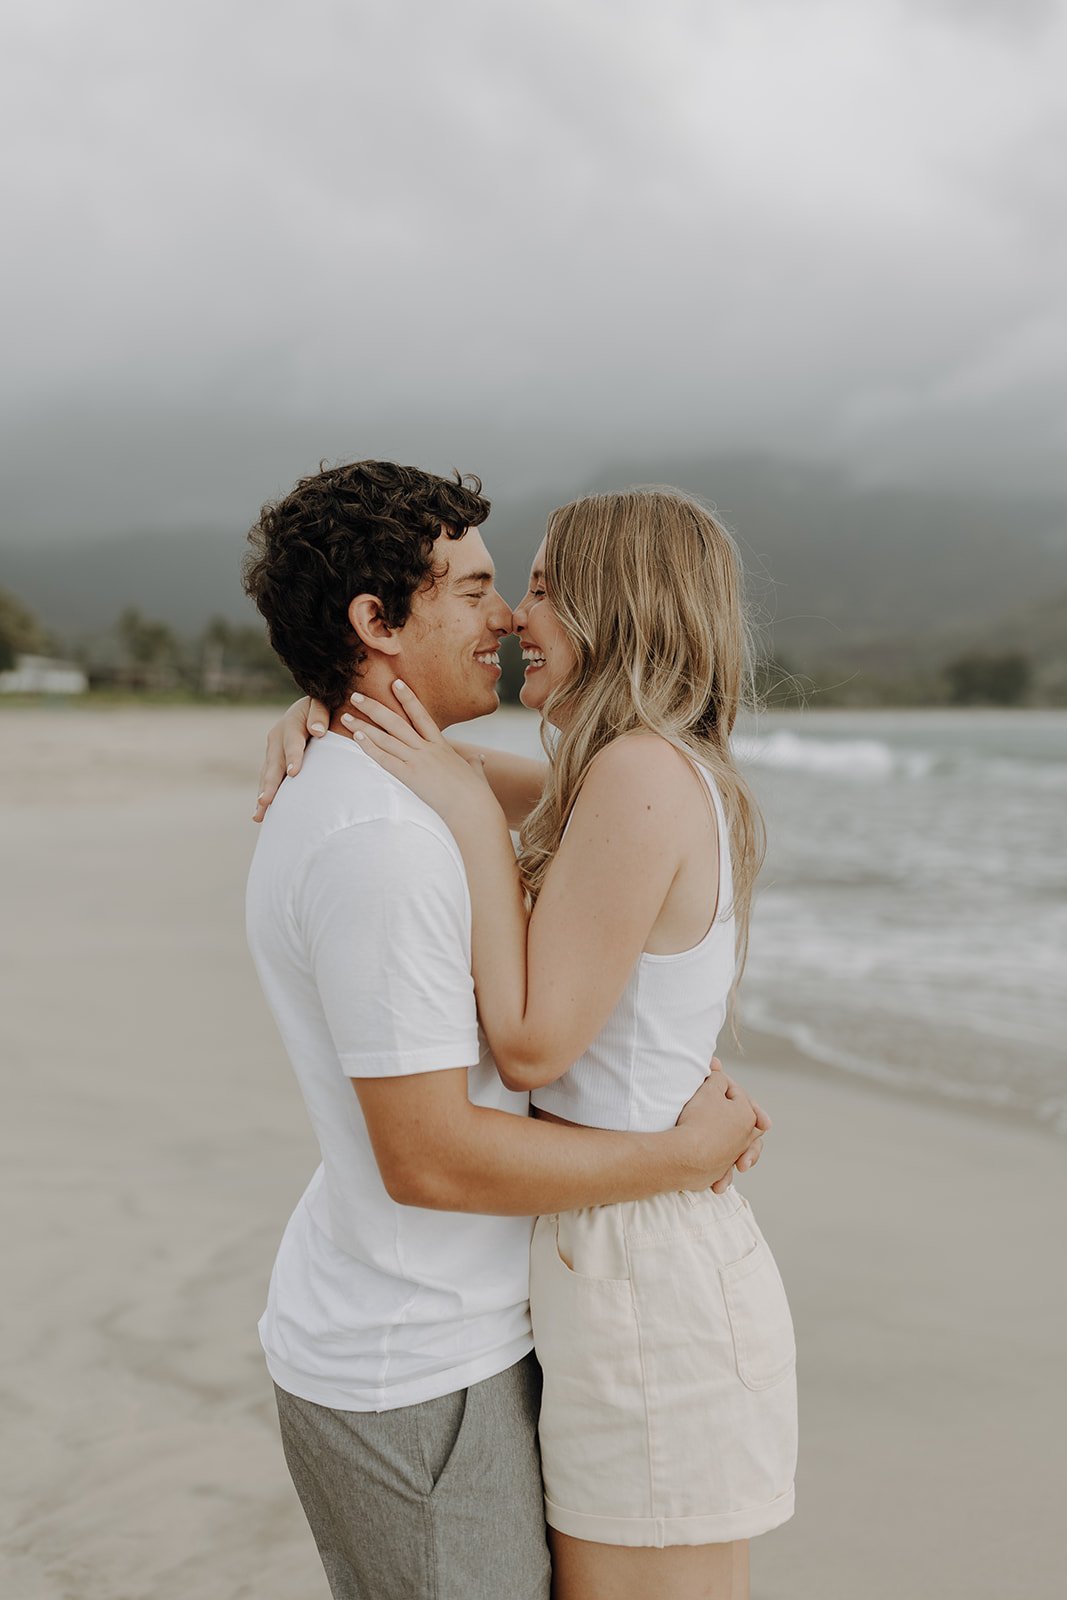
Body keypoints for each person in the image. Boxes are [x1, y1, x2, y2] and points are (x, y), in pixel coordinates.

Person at [243, 460, 769, 1600]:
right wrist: (334, 708)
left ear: (610, 607)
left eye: (529, 586)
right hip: (519, 1298)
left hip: (625, 1274)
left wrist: (357, 713)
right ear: (375, 622)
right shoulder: (515, 799)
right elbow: (455, 1122)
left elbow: (533, 1041)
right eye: (488, 587)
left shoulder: (626, 774)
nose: (514, 617)